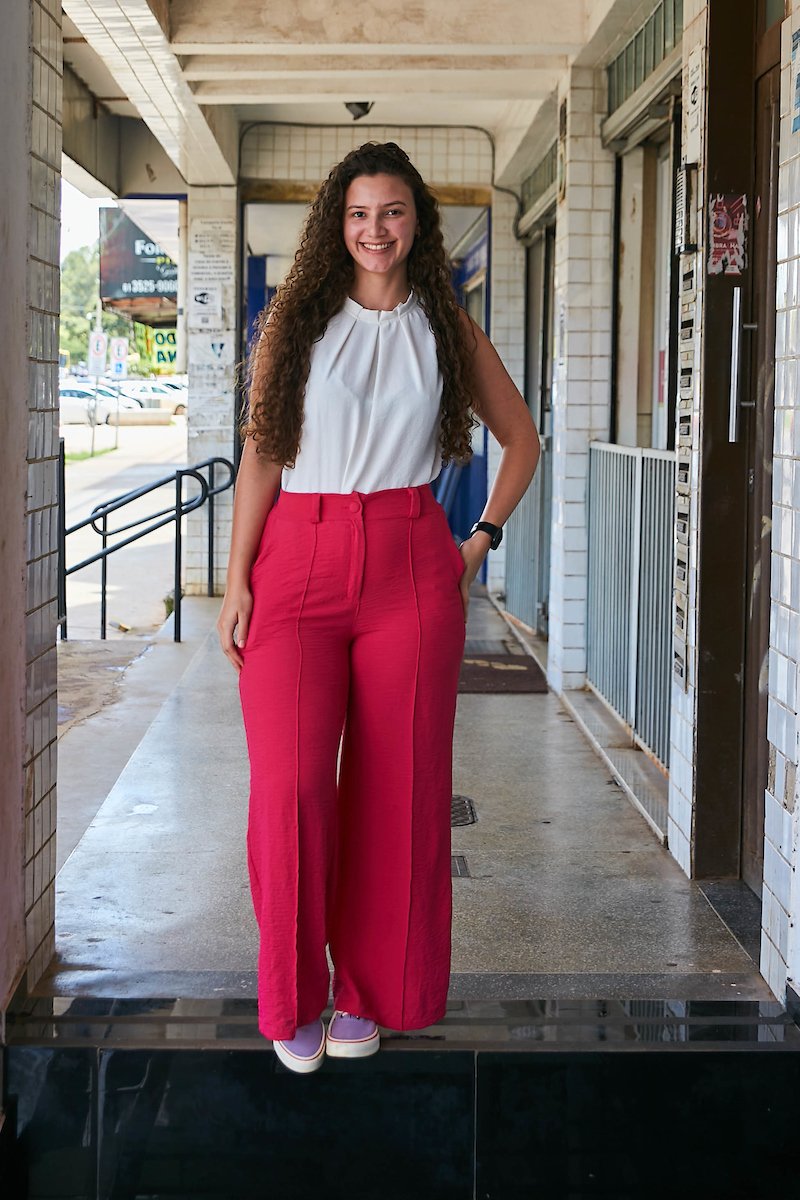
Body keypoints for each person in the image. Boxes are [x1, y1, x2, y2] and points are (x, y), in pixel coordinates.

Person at [217, 141, 540, 1074]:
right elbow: (263, 457)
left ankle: (371, 992)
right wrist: (238, 580)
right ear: (336, 223)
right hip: (297, 561)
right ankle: (292, 996)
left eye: (393, 212)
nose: (375, 230)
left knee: (398, 791)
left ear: (417, 223)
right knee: (291, 786)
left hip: (410, 557)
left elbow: (521, 438)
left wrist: (477, 540)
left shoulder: (445, 326)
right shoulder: (294, 321)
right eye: (359, 214)